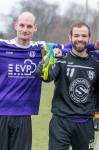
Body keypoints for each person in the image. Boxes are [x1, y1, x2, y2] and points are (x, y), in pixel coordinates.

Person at [0, 11, 69, 150]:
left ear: (35, 28)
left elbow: (71, 47)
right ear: (16, 26)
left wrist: (95, 47)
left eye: (29, 26)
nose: (25, 30)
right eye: (22, 25)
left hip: (24, 115)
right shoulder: (3, 46)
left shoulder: (42, 48)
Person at [36, 21, 99, 150]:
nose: (80, 39)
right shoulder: (61, 59)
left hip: (85, 123)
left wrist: (98, 115)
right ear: (70, 37)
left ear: (89, 37)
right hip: (60, 122)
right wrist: (48, 57)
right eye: (76, 35)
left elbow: (98, 92)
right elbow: (45, 77)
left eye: (84, 36)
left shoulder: (96, 64)